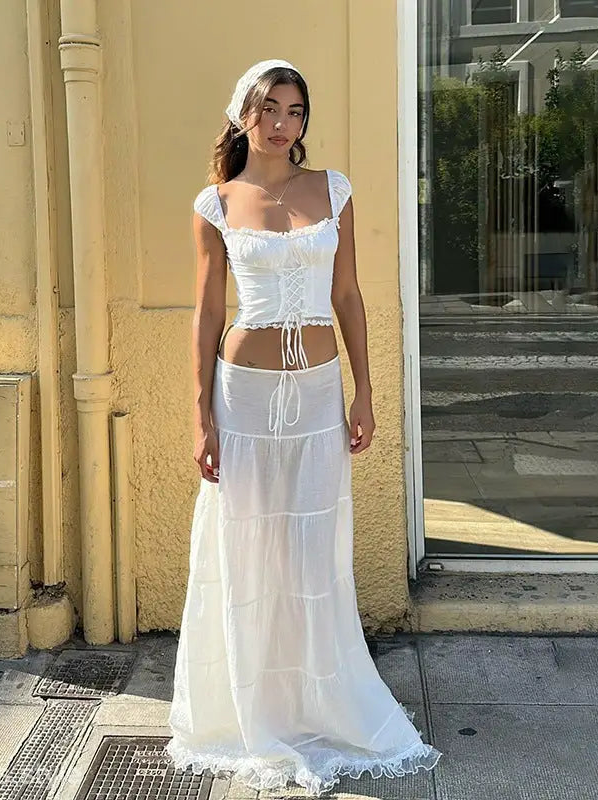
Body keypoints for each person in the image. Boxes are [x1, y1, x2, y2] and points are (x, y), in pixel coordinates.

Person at [165, 58, 442, 796]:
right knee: (249, 550)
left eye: (294, 110)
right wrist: (201, 415)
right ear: (243, 116)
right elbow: (208, 315)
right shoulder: (215, 203)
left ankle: (318, 701)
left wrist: (365, 390)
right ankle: (252, 710)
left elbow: (347, 294)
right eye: (269, 108)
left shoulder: (335, 190)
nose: (283, 122)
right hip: (244, 399)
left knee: (312, 554)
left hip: (318, 395)